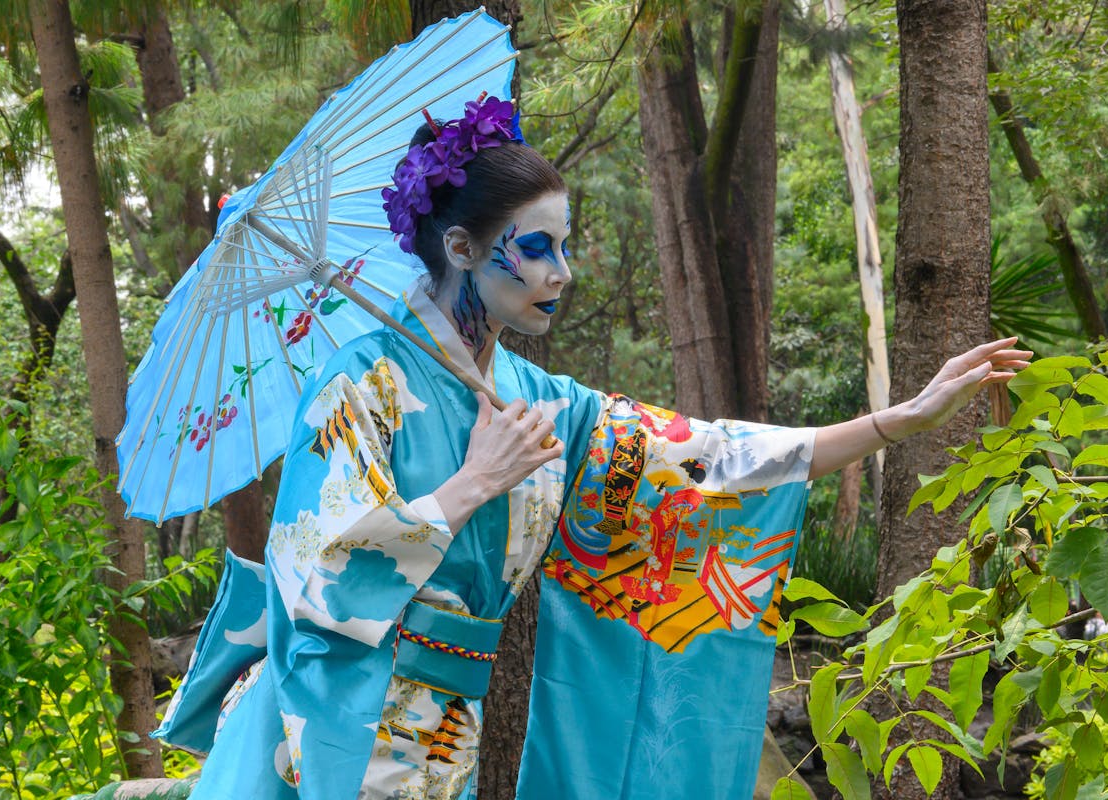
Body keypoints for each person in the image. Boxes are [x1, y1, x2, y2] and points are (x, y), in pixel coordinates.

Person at [158, 96, 1030, 800]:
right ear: (461, 247)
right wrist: (472, 482)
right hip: (339, 729)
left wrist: (897, 421)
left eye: (564, 246)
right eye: (537, 248)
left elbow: (704, 459)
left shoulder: (544, 404)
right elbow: (317, 570)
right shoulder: (359, 383)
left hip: (448, 729)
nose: (562, 272)